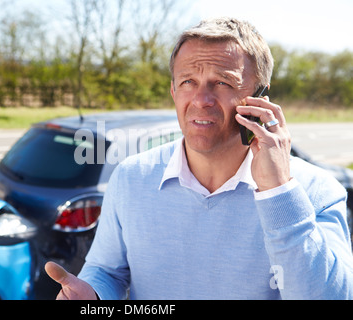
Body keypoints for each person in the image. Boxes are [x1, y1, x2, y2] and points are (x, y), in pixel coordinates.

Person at [45, 17, 353, 299]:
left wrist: (278, 191)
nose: (201, 100)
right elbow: (107, 271)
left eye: (222, 82)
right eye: (188, 82)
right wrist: (93, 297)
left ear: (261, 98)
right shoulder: (131, 177)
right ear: (173, 91)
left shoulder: (315, 191)